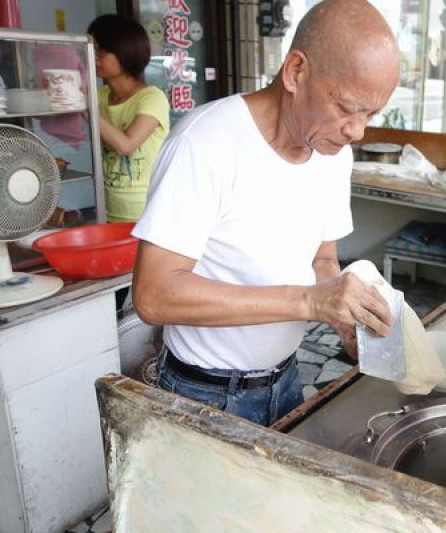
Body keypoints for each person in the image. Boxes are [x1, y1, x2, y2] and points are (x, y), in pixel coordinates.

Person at [131, 0, 400, 426]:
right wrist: (311, 302)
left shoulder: (332, 153)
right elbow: (153, 295)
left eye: (371, 113)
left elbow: (321, 260)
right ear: (296, 71)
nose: (358, 130)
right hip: (204, 393)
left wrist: (345, 320)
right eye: (347, 107)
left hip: (286, 380)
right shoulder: (205, 144)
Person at [88, 14, 170, 222]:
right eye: (92, 50)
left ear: (125, 53)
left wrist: (85, 107)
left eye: (101, 51)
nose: (94, 57)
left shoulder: (152, 98)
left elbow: (126, 145)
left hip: (146, 212)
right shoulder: (99, 97)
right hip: (105, 206)